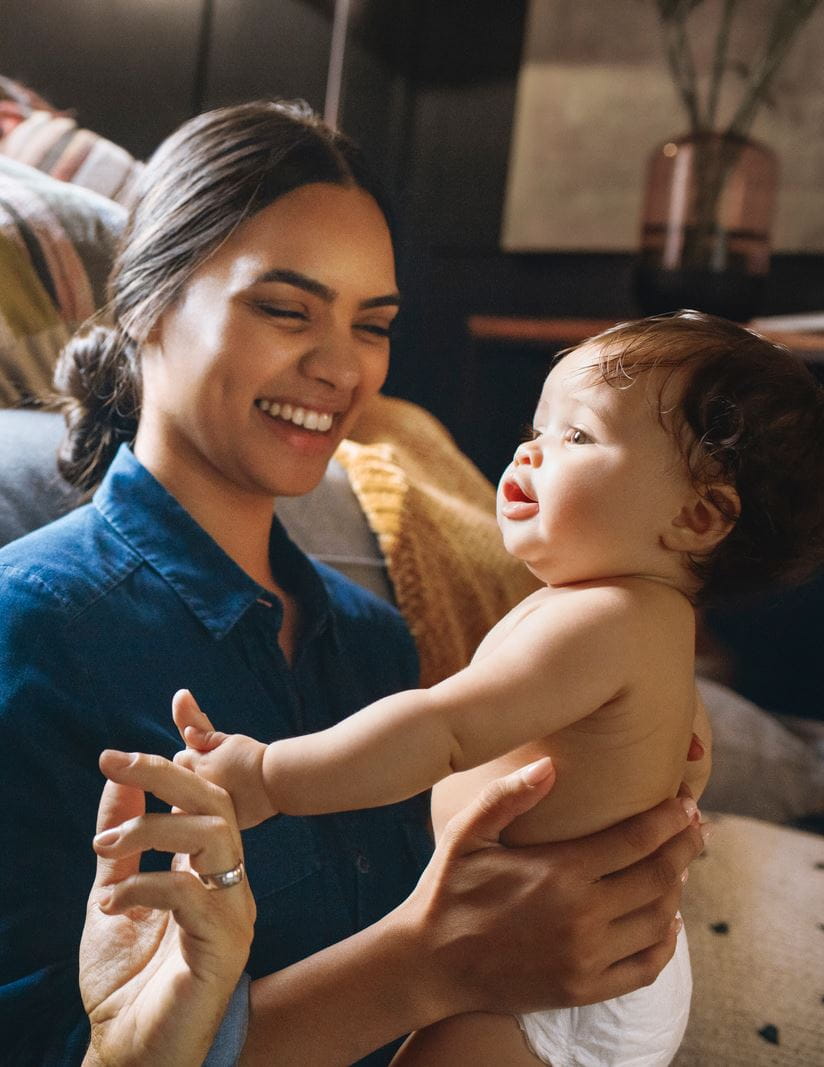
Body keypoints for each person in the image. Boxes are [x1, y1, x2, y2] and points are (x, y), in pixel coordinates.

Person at [0, 99, 706, 1066]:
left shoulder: (376, 643)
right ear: (147, 304)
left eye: (373, 325)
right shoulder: (32, 629)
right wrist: (429, 961)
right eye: (287, 309)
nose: (340, 367)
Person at [175, 310, 824, 1065]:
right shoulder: (649, 633)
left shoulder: (606, 620)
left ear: (698, 515)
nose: (531, 450)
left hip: (546, 988)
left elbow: (442, 729)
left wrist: (267, 776)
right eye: (537, 427)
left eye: (577, 436)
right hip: (575, 955)